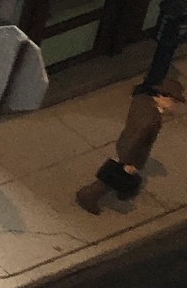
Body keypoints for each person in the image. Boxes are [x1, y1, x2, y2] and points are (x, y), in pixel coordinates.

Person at [76, 75, 184, 214]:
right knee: (114, 177)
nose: (174, 106)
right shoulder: (152, 119)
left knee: (122, 176)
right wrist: (127, 162)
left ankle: (123, 191)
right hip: (131, 152)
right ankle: (88, 195)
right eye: (174, 101)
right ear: (163, 97)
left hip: (125, 142)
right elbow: (137, 138)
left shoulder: (142, 101)